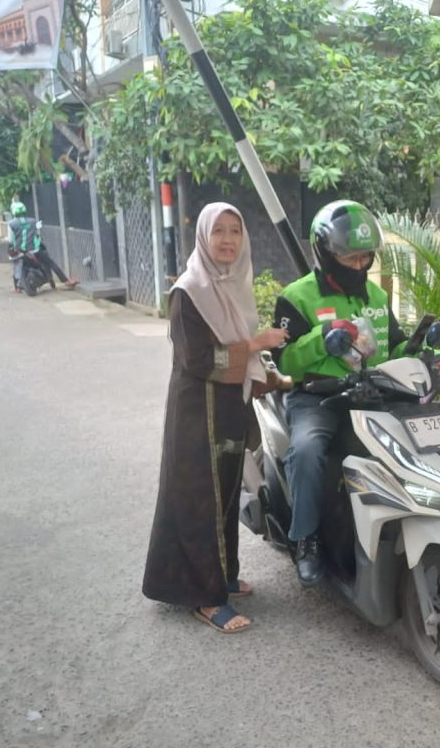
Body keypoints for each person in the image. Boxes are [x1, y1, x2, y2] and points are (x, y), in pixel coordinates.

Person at [143, 202, 288, 634]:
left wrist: (275, 380)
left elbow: (243, 360)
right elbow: (200, 360)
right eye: (218, 231)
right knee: (199, 503)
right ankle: (206, 597)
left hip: (228, 410)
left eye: (235, 231)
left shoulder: (235, 286)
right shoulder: (188, 291)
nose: (227, 240)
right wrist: (256, 343)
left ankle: (222, 575)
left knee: (225, 497)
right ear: (203, 238)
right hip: (196, 415)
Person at [272, 200, 415, 587]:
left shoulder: (377, 297)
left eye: (365, 258)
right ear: (325, 253)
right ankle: (306, 538)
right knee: (306, 450)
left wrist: (424, 350)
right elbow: (284, 361)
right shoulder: (296, 297)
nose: (358, 266)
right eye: (349, 257)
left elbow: (394, 347)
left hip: (371, 393)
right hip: (317, 397)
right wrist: (323, 340)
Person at [6, 201, 77, 292]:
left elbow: (10, 240)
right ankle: (66, 281)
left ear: (13, 212)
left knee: (16, 265)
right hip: (35, 250)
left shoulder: (11, 223)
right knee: (50, 263)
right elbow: (37, 234)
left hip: (20, 251)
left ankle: (17, 288)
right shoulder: (33, 221)